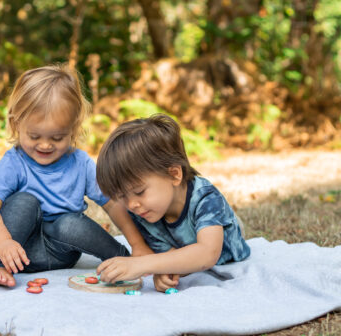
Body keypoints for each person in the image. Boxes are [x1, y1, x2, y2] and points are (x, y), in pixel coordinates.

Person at [0, 64, 151, 287]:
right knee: (24, 202)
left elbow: (112, 203)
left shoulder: (81, 163)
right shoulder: (14, 162)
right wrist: (4, 244)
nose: (45, 145)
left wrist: (137, 244)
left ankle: (123, 257)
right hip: (17, 250)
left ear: (73, 128)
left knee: (68, 223)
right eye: (34, 136)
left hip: (62, 252)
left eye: (58, 138)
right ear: (16, 124)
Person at [95, 114, 250, 292]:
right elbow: (170, 257)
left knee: (213, 225)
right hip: (186, 241)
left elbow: (208, 254)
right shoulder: (145, 212)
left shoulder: (205, 198)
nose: (131, 205)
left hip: (222, 245)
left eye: (139, 192)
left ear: (174, 175)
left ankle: (229, 220)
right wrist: (164, 272)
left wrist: (141, 264)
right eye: (122, 196)